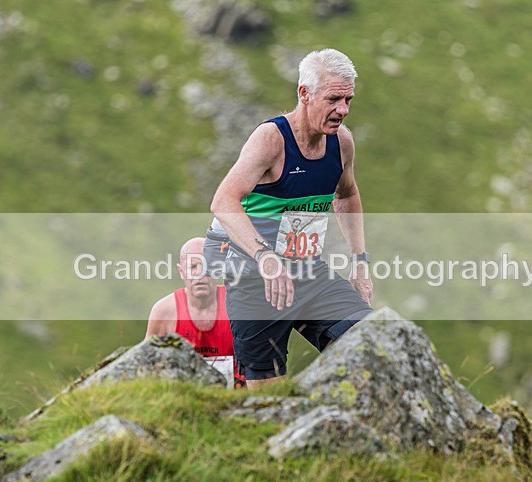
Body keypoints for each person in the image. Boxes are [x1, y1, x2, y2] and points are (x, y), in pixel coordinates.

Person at [210, 48, 373, 388]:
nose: (342, 110)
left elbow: (346, 194)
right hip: (255, 276)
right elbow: (224, 200)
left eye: (348, 99)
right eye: (333, 99)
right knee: (269, 398)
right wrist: (266, 258)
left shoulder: (341, 143)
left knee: (372, 343)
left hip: (307, 269)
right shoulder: (271, 139)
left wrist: (360, 263)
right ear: (304, 93)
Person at [146, 237, 245, 388]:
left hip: (237, 400)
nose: (200, 274)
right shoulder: (163, 312)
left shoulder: (240, 305)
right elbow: (146, 366)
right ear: (181, 271)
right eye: (192, 267)